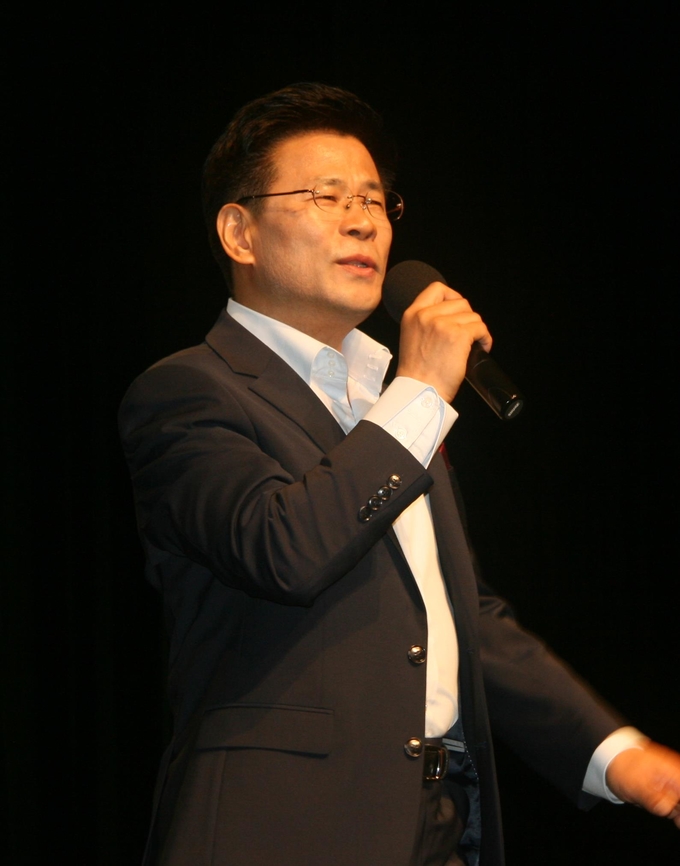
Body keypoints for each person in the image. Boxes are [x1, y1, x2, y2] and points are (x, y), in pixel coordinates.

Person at [119, 83, 680, 866]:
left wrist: (616, 753)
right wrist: (419, 392)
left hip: (441, 822)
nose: (363, 222)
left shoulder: (388, 400)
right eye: (326, 197)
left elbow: (461, 615)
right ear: (239, 233)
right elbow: (283, 549)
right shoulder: (188, 391)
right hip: (282, 830)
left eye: (375, 201)